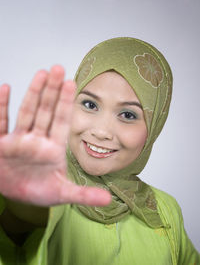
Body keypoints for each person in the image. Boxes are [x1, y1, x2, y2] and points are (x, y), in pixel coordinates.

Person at [0, 37, 199, 264]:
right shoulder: (38, 187)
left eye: (128, 115)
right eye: (90, 104)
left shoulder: (164, 209)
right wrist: (20, 216)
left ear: (154, 127)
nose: (102, 131)